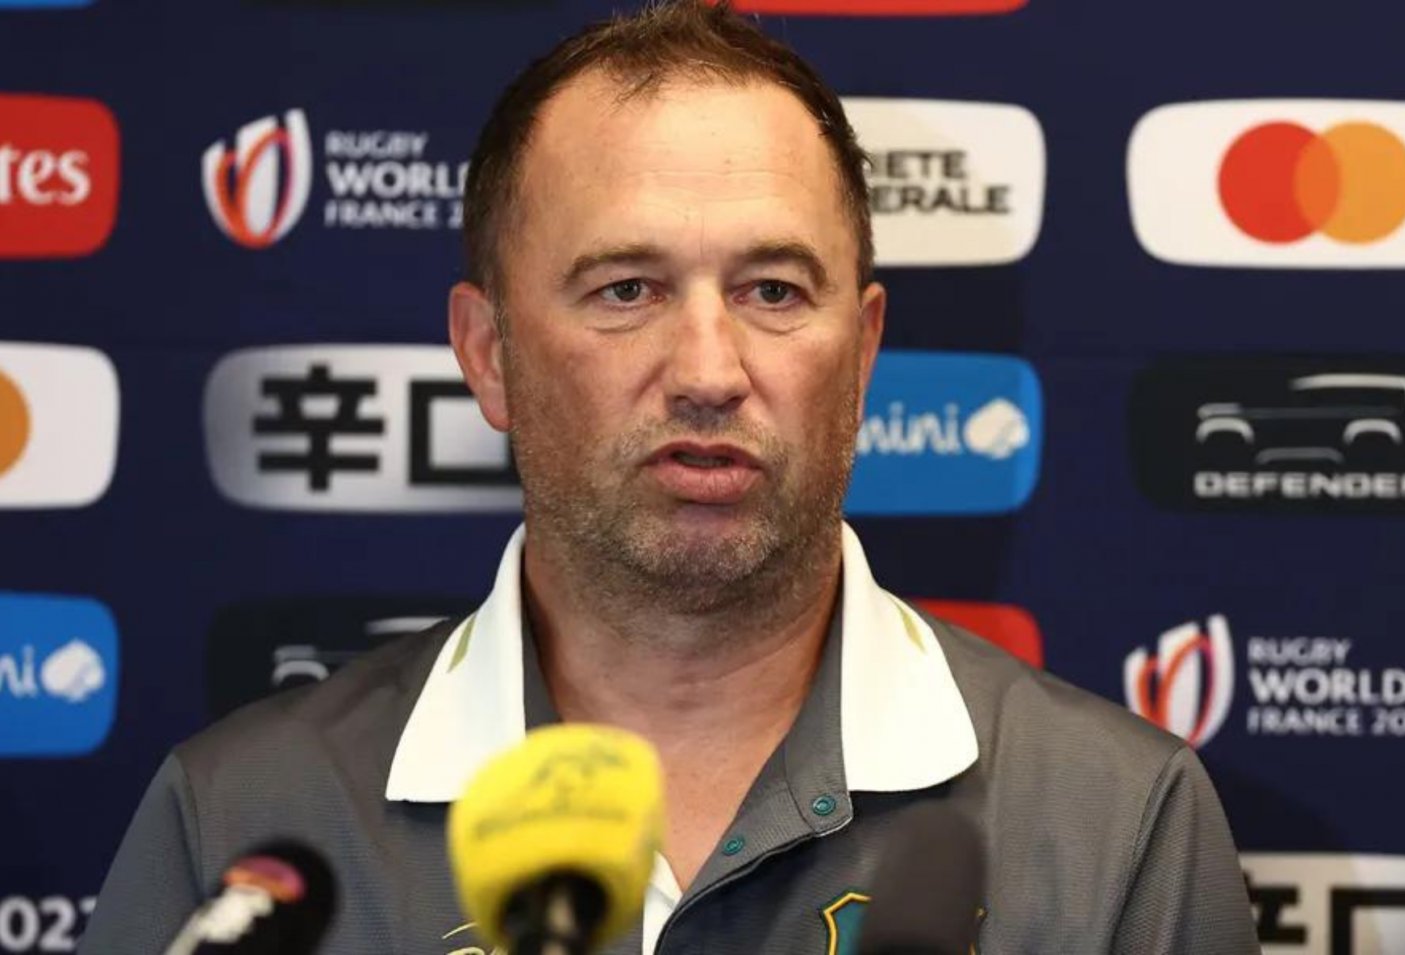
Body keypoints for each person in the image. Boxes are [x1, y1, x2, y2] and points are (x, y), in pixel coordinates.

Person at [81, 2, 1259, 952]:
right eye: (626, 290)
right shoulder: (245, 825)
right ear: (489, 355)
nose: (707, 372)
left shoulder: (1114, 824)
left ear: (862, 355)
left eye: (773, 290)